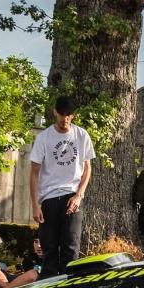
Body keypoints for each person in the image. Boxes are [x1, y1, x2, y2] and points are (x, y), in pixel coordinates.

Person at [30, 95, 94, 276]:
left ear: (73, 115)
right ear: (55, 113)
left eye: (69, 115)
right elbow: (34, 173)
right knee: (49, 250)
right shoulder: (44, 138)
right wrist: (35, 205)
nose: (65, 119)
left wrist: (79, 195)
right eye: (62, 114)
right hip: (49, 198)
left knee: (71, 250)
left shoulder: (81, 135)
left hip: (72, 196)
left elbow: (87, 169)